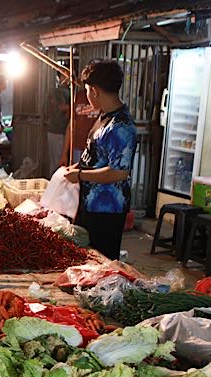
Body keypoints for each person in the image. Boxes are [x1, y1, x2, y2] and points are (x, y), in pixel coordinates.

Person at [64, 60, 136, 260]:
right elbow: (97, 154)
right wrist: (78, 166)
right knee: (86, 258)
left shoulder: (121, 126)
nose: (87, 94)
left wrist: (80, 175)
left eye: (87, 90)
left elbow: (119, 172)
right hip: (90, 203)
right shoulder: (105, 116)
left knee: (102, 261)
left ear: (94, 91)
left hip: (107, 209)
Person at [59, 86, 99, 167]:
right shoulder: (78, 97)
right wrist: (64, 154)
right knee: (76, 172)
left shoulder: (101, 98)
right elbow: (70, 126)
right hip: (77, 148)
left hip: (96, 149)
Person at [45, 75, 71, 177]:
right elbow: (62, 107)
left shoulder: (54, 92)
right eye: (66, 75)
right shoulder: (64, 92)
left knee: (54, 161)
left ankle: (53, 181)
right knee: (59, 162)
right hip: (60, 131)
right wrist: (71, 107)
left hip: (53, 130)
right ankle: (56, 182)